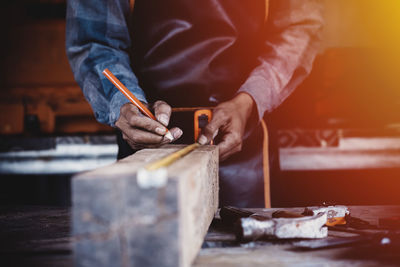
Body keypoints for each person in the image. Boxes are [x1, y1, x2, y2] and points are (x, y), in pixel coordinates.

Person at [66, 0, 324, 207]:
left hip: (246, 152)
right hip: (146, 141)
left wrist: (249, 100)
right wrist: (124, 102)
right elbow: (94, 41)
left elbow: (300, 27)